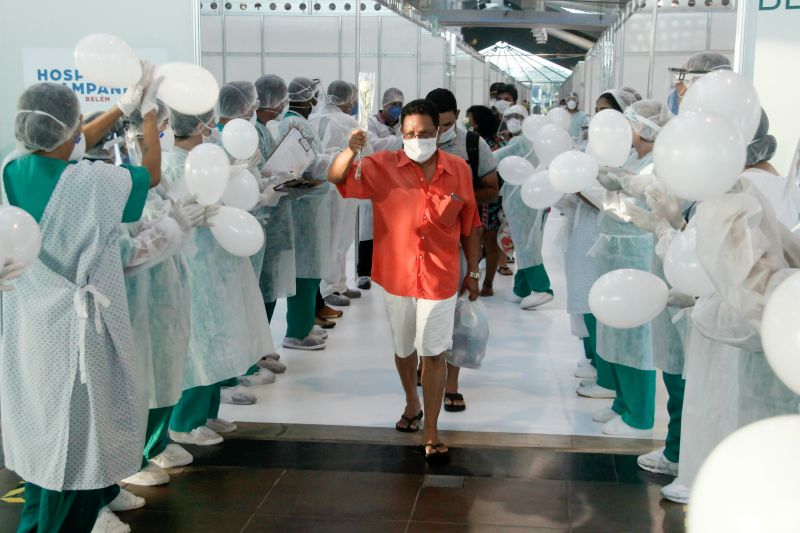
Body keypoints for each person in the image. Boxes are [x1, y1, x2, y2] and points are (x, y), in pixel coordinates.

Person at [1, 70, 160, 532]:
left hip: (29, 328)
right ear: (68, 130)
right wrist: (147, 117)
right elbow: (149, 175)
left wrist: (120, 108)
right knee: (77, 445)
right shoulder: (95, 183)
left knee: (40, 434)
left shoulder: (11, 168)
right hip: (81, 335)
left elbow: (59, 143)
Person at [328, 99, 481, 460]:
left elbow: (470, 223)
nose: (417, 139)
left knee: (433, 352)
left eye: (425, 133)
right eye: (410, 133)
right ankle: (412, 402)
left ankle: (430, 429)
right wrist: (350, 150)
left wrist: (473, 271)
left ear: (439, 132)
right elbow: (336, 178)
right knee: (403, 348)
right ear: (401, 133)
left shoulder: (458, 169)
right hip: (396, 276)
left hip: (441, 276)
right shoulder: (381, 165)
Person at [163, 108, 272, 444]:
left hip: (220, 263)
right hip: (195, 267)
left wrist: (242, 174)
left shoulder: (204, 158)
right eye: (208, 121)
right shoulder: (172, 165)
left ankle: (207, 413)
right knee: (201, 347)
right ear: (200, 125)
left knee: (220, 341)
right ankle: (184, 423)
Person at [588, 96, 668, 438]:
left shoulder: (658, 166)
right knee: (615, 329)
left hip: (637, 255)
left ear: (643, 128)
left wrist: (614, 187)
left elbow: (639, 212)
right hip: (616, 253)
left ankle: (640, 415)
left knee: (636, 334)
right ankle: (622, 401)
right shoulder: (637, 158)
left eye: (630, 122)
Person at [425, 89, 499, 413]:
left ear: (456, 115)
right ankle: (427, 366)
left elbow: (491, 188)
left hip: (457, 241)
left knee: (453, 315)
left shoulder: (471, 144)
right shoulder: (413, 143)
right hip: (419, 247)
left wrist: (458, 200)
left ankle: (451, 382)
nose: (439, 132)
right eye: (434, 126)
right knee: (421, 317)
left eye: (445, 124)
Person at [572, 88, 640, 397]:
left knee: (602, 301)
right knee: (586, 296)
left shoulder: (631, 154)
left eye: (606, 110)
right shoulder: (594, 146)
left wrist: (585, 186)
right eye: (597, 109)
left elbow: (622, 200)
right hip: (587, 227)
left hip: (612, 233)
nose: (599, 116)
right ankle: (598, 363)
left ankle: (609, 378)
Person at [279, 77, 336, 349]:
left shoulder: (296, 122)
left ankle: (303, 325)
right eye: (314, 95)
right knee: (305, 268)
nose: (316, 100)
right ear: (308, 97)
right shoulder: (295, 123)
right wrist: (339, 159)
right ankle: (297, 331)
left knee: (311, 267)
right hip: (305, 208)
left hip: (311, 204)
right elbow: (309, 165)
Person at [496, 106, 554, 311]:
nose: (513, 121)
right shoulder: (532, 141)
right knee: (524, 243)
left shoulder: (519, 142)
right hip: (529, 197)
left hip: (521, 201)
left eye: (517, 117)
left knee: (526, 244)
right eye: (509, 117)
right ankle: (521, 288)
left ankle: (542, 288)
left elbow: (493, 159)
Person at [311, 80, 363, 307]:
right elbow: (363, 151)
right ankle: (329, 287)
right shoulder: (348, 122)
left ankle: (339, 283)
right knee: (337, 236)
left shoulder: (311, 119)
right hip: (340, 182)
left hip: (318, 182)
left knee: (333, 235)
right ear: (348, 100)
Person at [360, 87, 405, 290]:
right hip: (374, 179)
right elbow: (372, 146)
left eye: (400, 105)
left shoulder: (403, 124)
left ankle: (392, 269)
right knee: (368, 226)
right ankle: (364, 272)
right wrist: (397, 141)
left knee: (396, 226)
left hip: (398, 181)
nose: (397, 109)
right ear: (383, 106)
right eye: (393, 105)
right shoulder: (371, 123)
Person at [466, 105, 512, 284]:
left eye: (468, 119)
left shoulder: (476, 143)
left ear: (477, 122)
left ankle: (475, 280)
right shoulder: (501, 142)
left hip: (481, 199)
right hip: (496, 200)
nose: (466, 123)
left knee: (476, 245)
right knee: (491, 243)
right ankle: (487, 284)